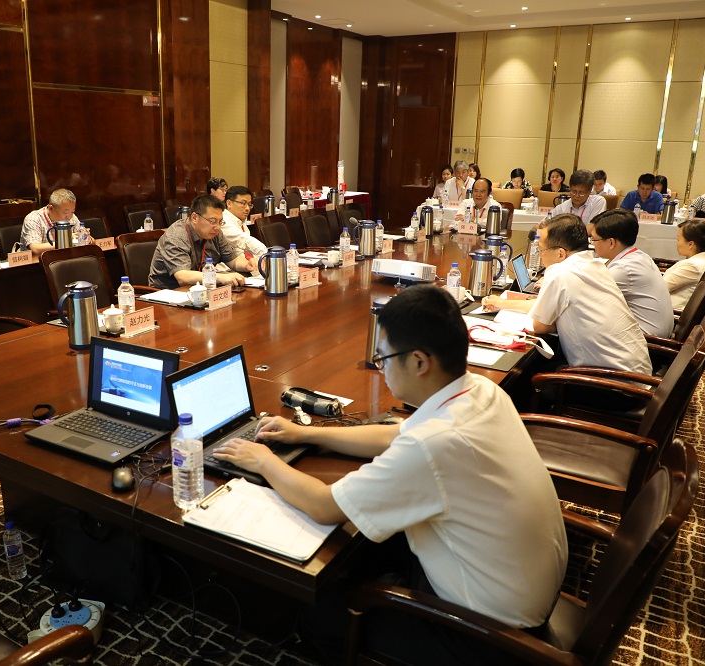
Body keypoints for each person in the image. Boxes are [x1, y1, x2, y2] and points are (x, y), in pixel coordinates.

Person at [214, 285, 568, 665]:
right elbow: (395, 434)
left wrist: (263, 460)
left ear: (419, 362)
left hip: (488, 636)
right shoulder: (478, 391)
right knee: (365, 549)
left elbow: (324, 506)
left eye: (382, 357)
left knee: (318, 611)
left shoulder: (435, 444)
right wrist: (308, 433)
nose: (379, 367)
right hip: (519, 585)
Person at [487, 214, 651, 375]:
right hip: (638, 374)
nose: (540, 256)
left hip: (611, 381)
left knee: (527, 376)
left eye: (541, 250)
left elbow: (541, 326)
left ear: (560, 253)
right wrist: (505, 304)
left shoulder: (560, 272)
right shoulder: (596, 265)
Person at [590, 209, 674, 337]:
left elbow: (588, 295)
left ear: (611, 242)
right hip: (652, 333)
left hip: (647, 341)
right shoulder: (639, 256)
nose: (592, 244)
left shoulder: (624, 269)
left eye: (594, 239)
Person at [148, 194, 254, 289]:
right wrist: (221, 277)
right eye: (212, 221)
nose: (217, 227)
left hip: (200, 289)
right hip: (167, 293)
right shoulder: (176, 236)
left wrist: (248, 265)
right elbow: (182, 276)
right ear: (194, 217)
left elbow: (233, 260)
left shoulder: (215, 232)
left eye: (220, 222)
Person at [664, 220, 705, 310]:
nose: (677, 243)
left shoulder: (692, 266)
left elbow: (661, 287)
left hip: (670, 310)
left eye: (678, 239)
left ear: (690, 244)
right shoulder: (703, 259)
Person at [19, 188, 87, 256]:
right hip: (38, 261)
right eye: (65, 212)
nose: (69, 217)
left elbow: (83, 239)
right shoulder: (34, 219)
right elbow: (35, 249)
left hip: (65, 258)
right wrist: (65, 242)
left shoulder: (72, 217)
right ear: (50, 208)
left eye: (72, 211)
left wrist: (85, 237)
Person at [219, 186, 267, 268]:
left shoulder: (240, 221)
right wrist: (265, 253)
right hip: (229, 269)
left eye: (249, 204)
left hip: (245, 266)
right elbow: (243, 240)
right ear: (229, 203)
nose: (247, 208)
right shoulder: (223, 221)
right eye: (243, 203)